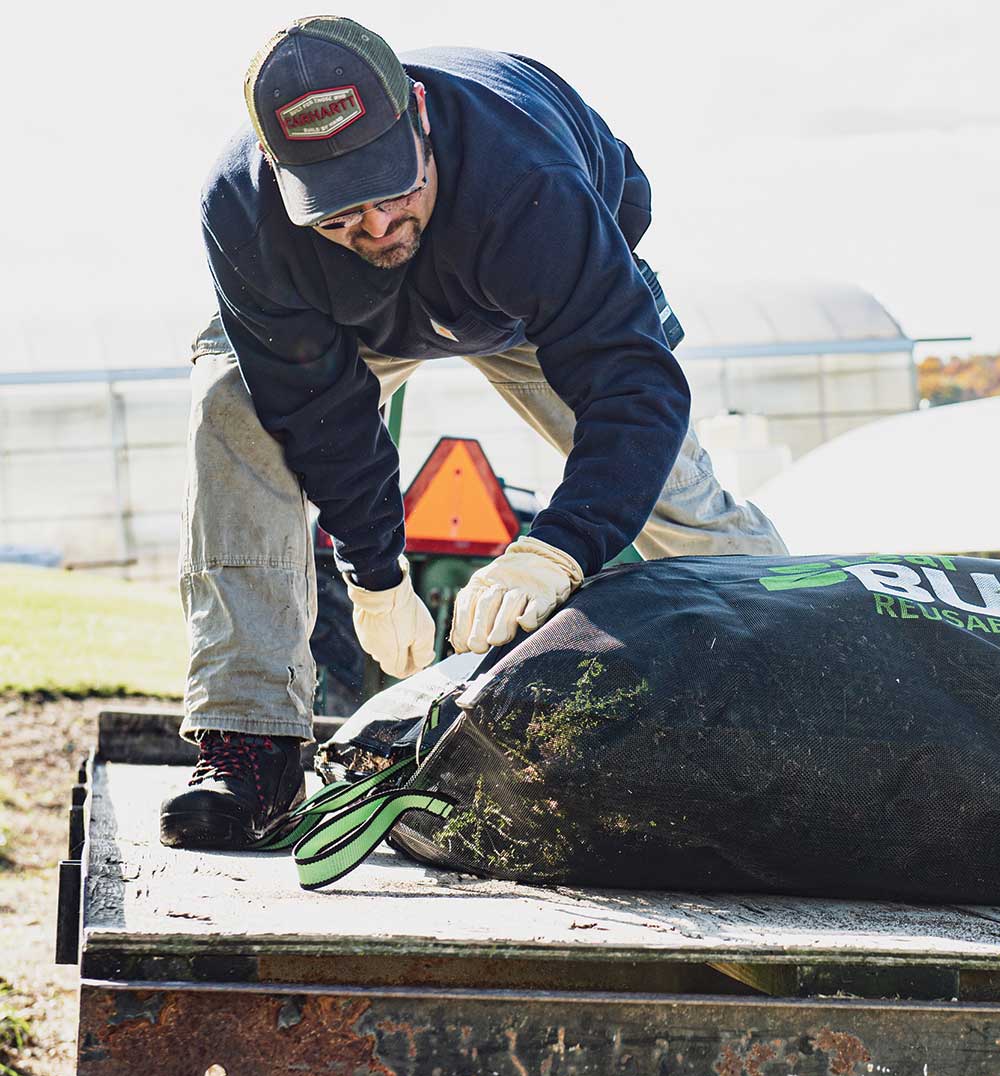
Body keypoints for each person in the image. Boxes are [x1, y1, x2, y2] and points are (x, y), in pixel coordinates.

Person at [161, 16, 786, 851]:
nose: (379, 226)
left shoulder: (527, 178)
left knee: (671, 490)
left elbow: (632, 388)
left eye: (396, 190)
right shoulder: (241, 207)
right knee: (233, 403)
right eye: (342, 212)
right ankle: (252, 741)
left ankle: (800, 676)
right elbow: (318, 411)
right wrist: (376, 575)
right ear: (280, 178)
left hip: (524, 294)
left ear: (418, 114)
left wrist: (556, 546)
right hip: (345, 325)